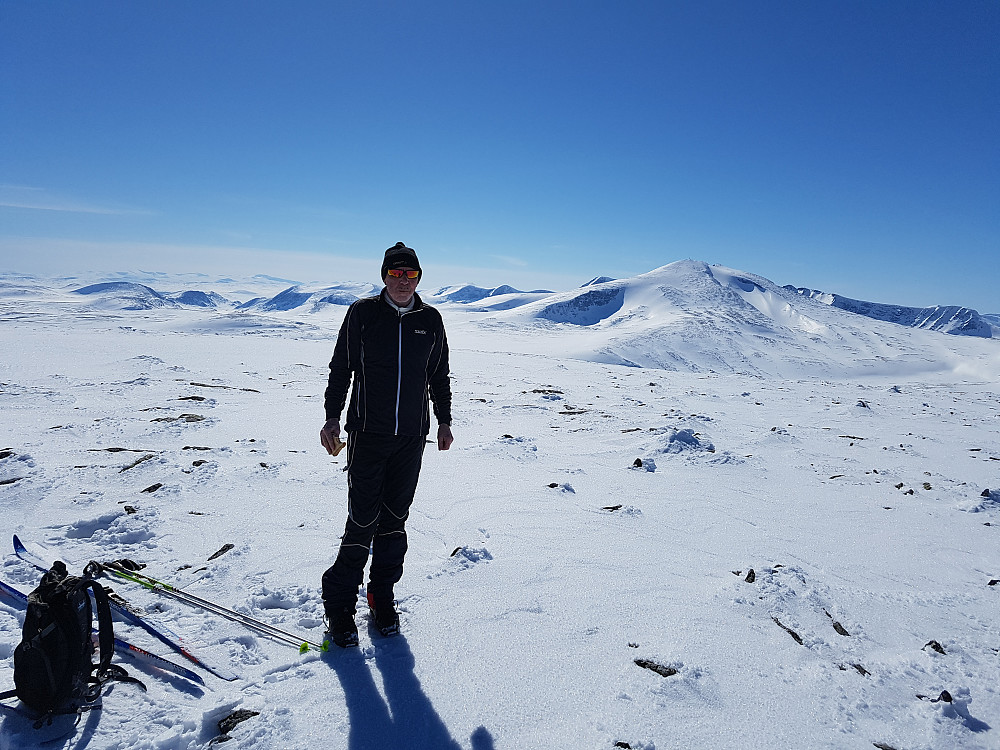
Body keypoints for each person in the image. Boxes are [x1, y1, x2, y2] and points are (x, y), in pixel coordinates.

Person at [319, 242, 453, 647]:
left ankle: (381, 596)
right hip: (367, 436)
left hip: (411, 439)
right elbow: (341, 367)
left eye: (409, 275)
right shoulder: (363, 314)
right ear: (384, 277)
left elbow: (439, 374)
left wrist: (444, 420)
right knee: (362, 521)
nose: (401, 281)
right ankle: (339, 603)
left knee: (394, 523)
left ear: (418, 278)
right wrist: (331, 417)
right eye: (394, 274)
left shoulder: (430, 320)